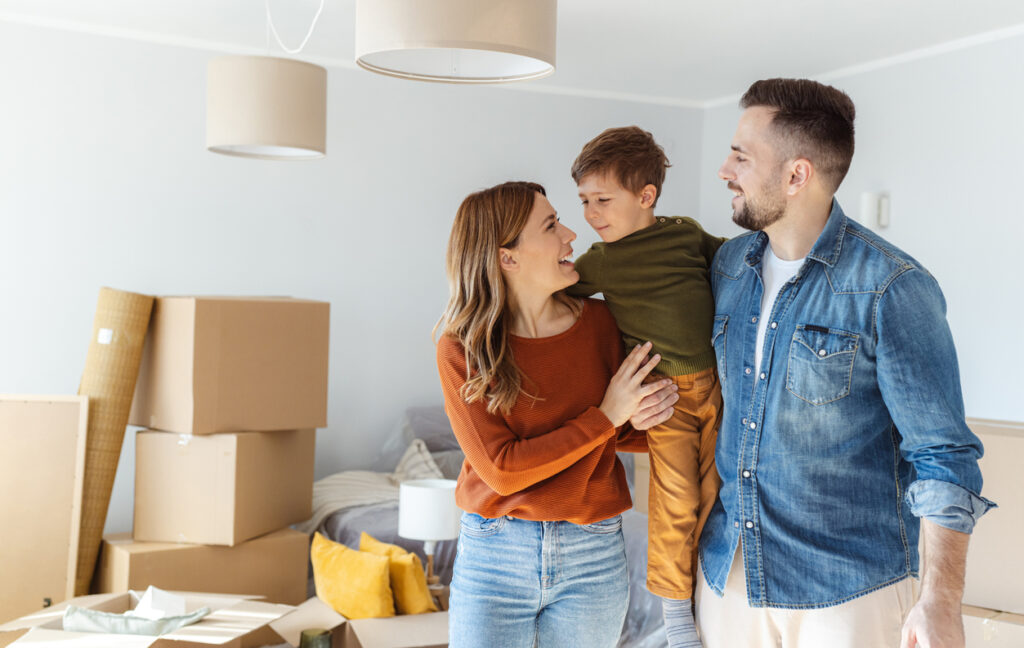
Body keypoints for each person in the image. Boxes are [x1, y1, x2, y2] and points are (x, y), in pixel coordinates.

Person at [697, 78, 996, 648]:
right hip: (729, 578)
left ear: (796, 175)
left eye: (740, 156)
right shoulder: (729, 267)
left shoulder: (891, 287)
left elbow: (942, 455)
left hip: (851, 595)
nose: (724, 170)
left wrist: (940, 602)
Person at [435, 181, 680, 648]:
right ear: (508, 257)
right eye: (550, 226)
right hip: (495, 556)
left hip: (595, 552)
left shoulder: (604, 322)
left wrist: (637, 420)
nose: (572, 233)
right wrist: (608, 417)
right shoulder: (462, 347)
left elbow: (615, 434)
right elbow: (501, 470)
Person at [565, 126, 725, 648]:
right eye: (584, 200)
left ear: (646, 196)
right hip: (667, 401)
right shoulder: (601, 260)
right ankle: (676, 617)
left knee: (719, 494)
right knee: (675, 501)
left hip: (721, 387)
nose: (591, 213)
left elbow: (730, 260)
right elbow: (554, 287)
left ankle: (715, 595)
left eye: (602, 200)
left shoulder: (684, 233)